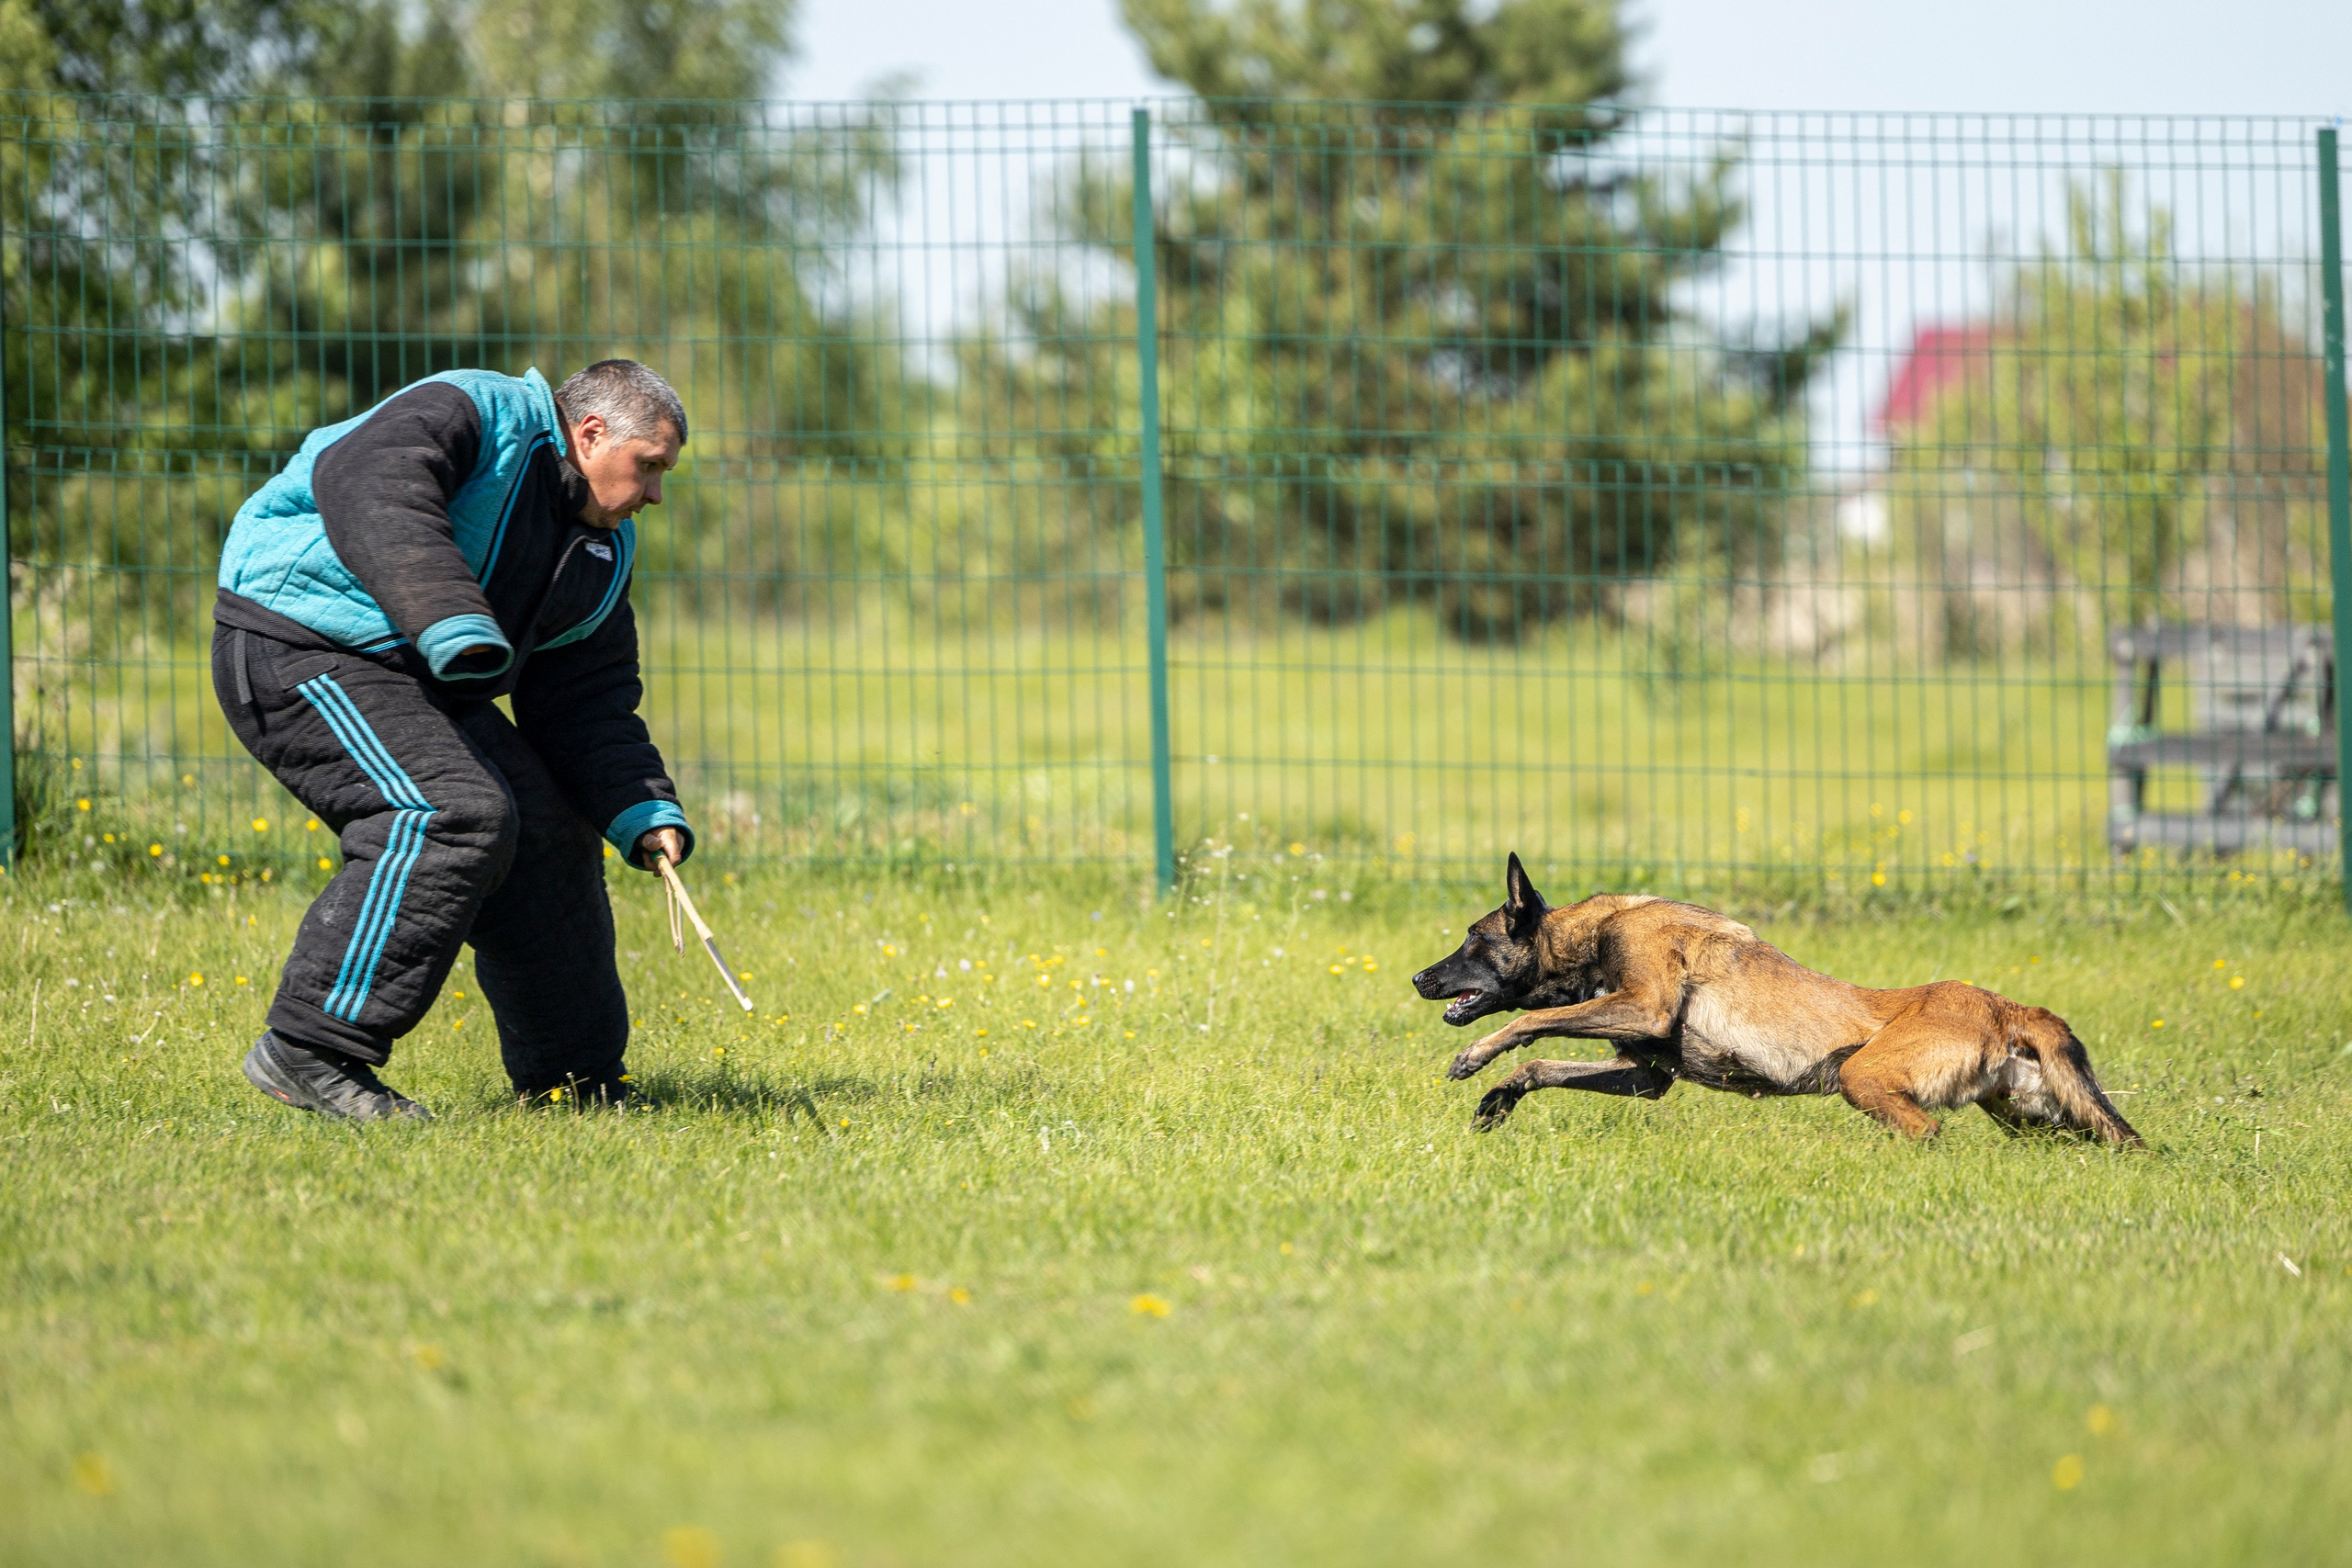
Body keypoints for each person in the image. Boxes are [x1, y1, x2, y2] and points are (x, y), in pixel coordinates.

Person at [209, 359, 695, 1121]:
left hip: (416, 677)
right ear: (592, 432)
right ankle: (310, 1047)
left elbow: (586, 703)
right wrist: (450, 616)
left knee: (545, 834)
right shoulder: (476, 408)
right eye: (650, 468)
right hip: (297, 639)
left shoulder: (600, 549)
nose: (656, 495)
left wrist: (642, 808)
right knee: (450, 811)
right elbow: (369, 481)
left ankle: (577, 1084)